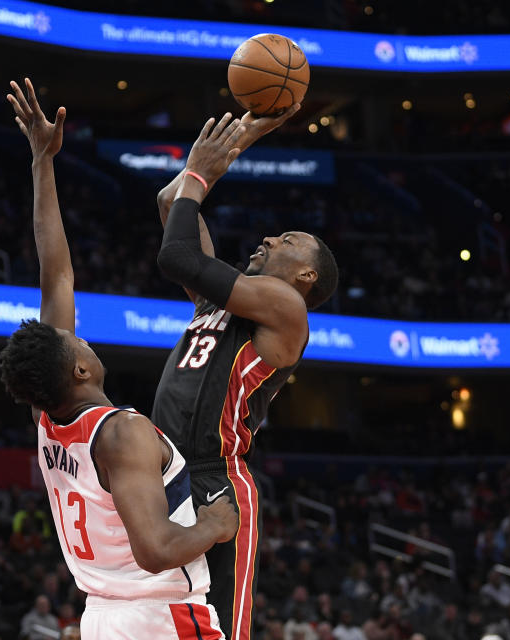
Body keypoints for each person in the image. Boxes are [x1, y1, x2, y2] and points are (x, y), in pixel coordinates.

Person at [0, 77, 239, 639]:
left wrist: (43, 162)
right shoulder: (122, 432)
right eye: (78, 343)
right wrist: (215, 524)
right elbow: (157, 550)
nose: (82, 337)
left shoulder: (50, 419)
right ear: (79, 369)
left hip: (102, 614)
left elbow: (56, 272)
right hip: (159, 616)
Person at [152, 109, 339, 640]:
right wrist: (220, 155)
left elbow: (177, 254)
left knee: (219, 628)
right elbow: (171, 205)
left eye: (287, 239)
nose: (269, 239)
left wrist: (202, 176)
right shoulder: (224, 300)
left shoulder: (286, 307)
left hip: (216, 479)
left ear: (306, 274)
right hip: (163, 470)